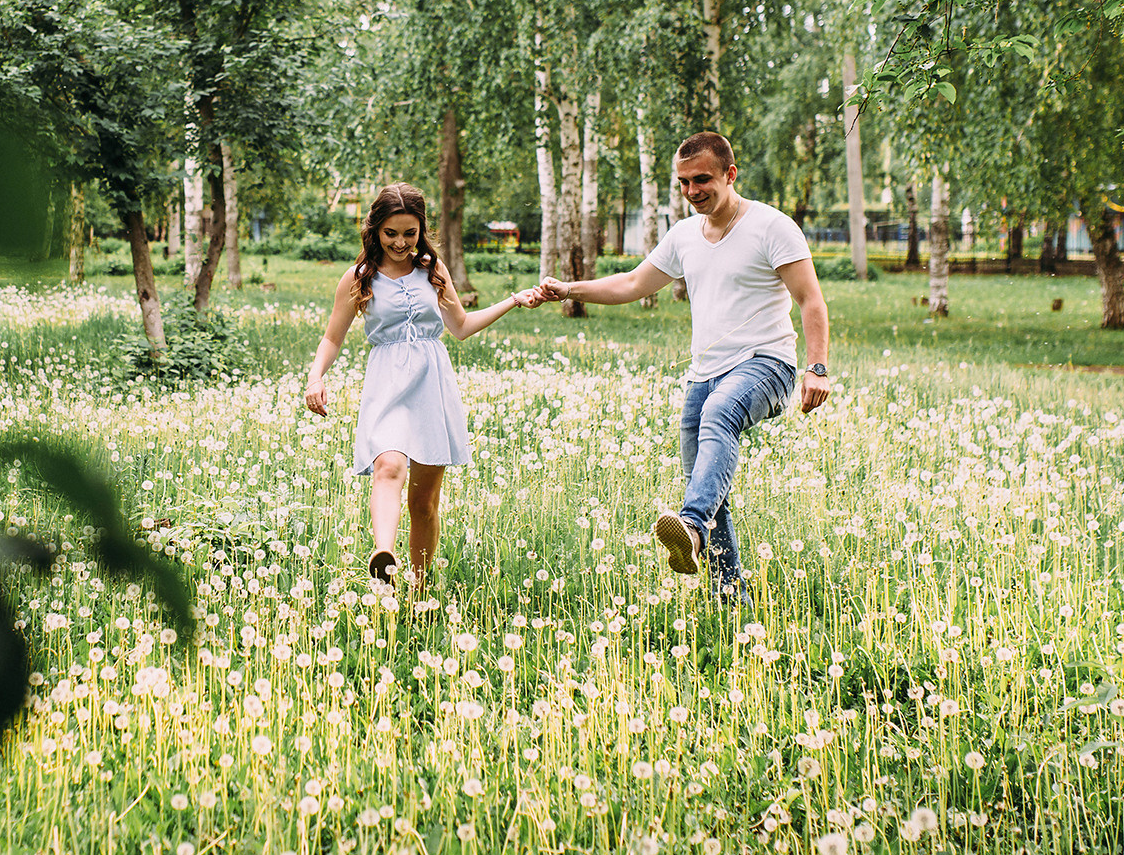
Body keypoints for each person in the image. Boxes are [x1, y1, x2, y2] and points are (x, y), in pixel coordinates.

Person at [534, 132, 830, 605]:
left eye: (703, 180)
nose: (693, 191)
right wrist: (569, 289)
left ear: (730, 175)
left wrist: (817, 368)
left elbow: (810, 299)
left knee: (719, 418)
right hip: (704, 373)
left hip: (767, 363)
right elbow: (633, 283)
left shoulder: (773, 227)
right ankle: (731, 602)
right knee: (710, 485)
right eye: (684, 182)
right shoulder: (684, 235)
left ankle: (690, 527)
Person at [303, 183, 544, 593]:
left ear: (421, 230)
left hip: (432, 383)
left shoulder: (432, 270)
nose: (400, 242)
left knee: (424, 504)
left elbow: (461, 328)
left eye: (409, 233)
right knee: (388, 466)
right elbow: (333, 337)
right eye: (391, 233)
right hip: (387, 382)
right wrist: (316, 376)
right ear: (375, 229)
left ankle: (418, 592)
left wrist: (513, 301)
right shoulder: (359, 277)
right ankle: (383, 556)